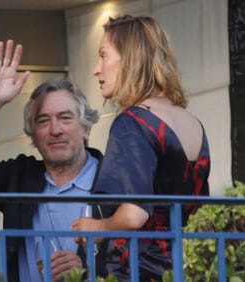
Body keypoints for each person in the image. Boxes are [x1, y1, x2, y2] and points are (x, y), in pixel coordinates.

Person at [0, 41, 106, 281]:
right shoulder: (20, 178)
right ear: (32, 137)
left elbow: (137, 257)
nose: (55, 130)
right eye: (43, 121)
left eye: (65, 118)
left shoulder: (114, 181)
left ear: (86, 128)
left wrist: (86, 267)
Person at [71, 14, 211, 281]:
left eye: (104, 56)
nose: (96, 69)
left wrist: (96, 227)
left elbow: (134, 214)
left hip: (141, 269)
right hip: (190, 267)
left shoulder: (132, 122)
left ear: (130, 59)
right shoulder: (193, 123)